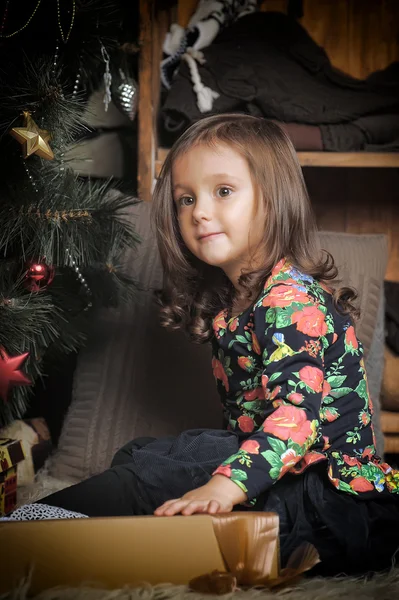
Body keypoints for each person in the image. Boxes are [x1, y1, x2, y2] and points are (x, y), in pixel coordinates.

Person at [8, 114, 399, 576]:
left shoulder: (291, 303)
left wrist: (224, 485)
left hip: (327, 493)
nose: (199, 211)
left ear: (273, 200)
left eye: (224, 192)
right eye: (186, 199)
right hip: (278, 470)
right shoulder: (232, 305)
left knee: (170, 470)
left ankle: (31, 530)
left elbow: (296, 422)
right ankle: (54, 530)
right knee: (151, 457)